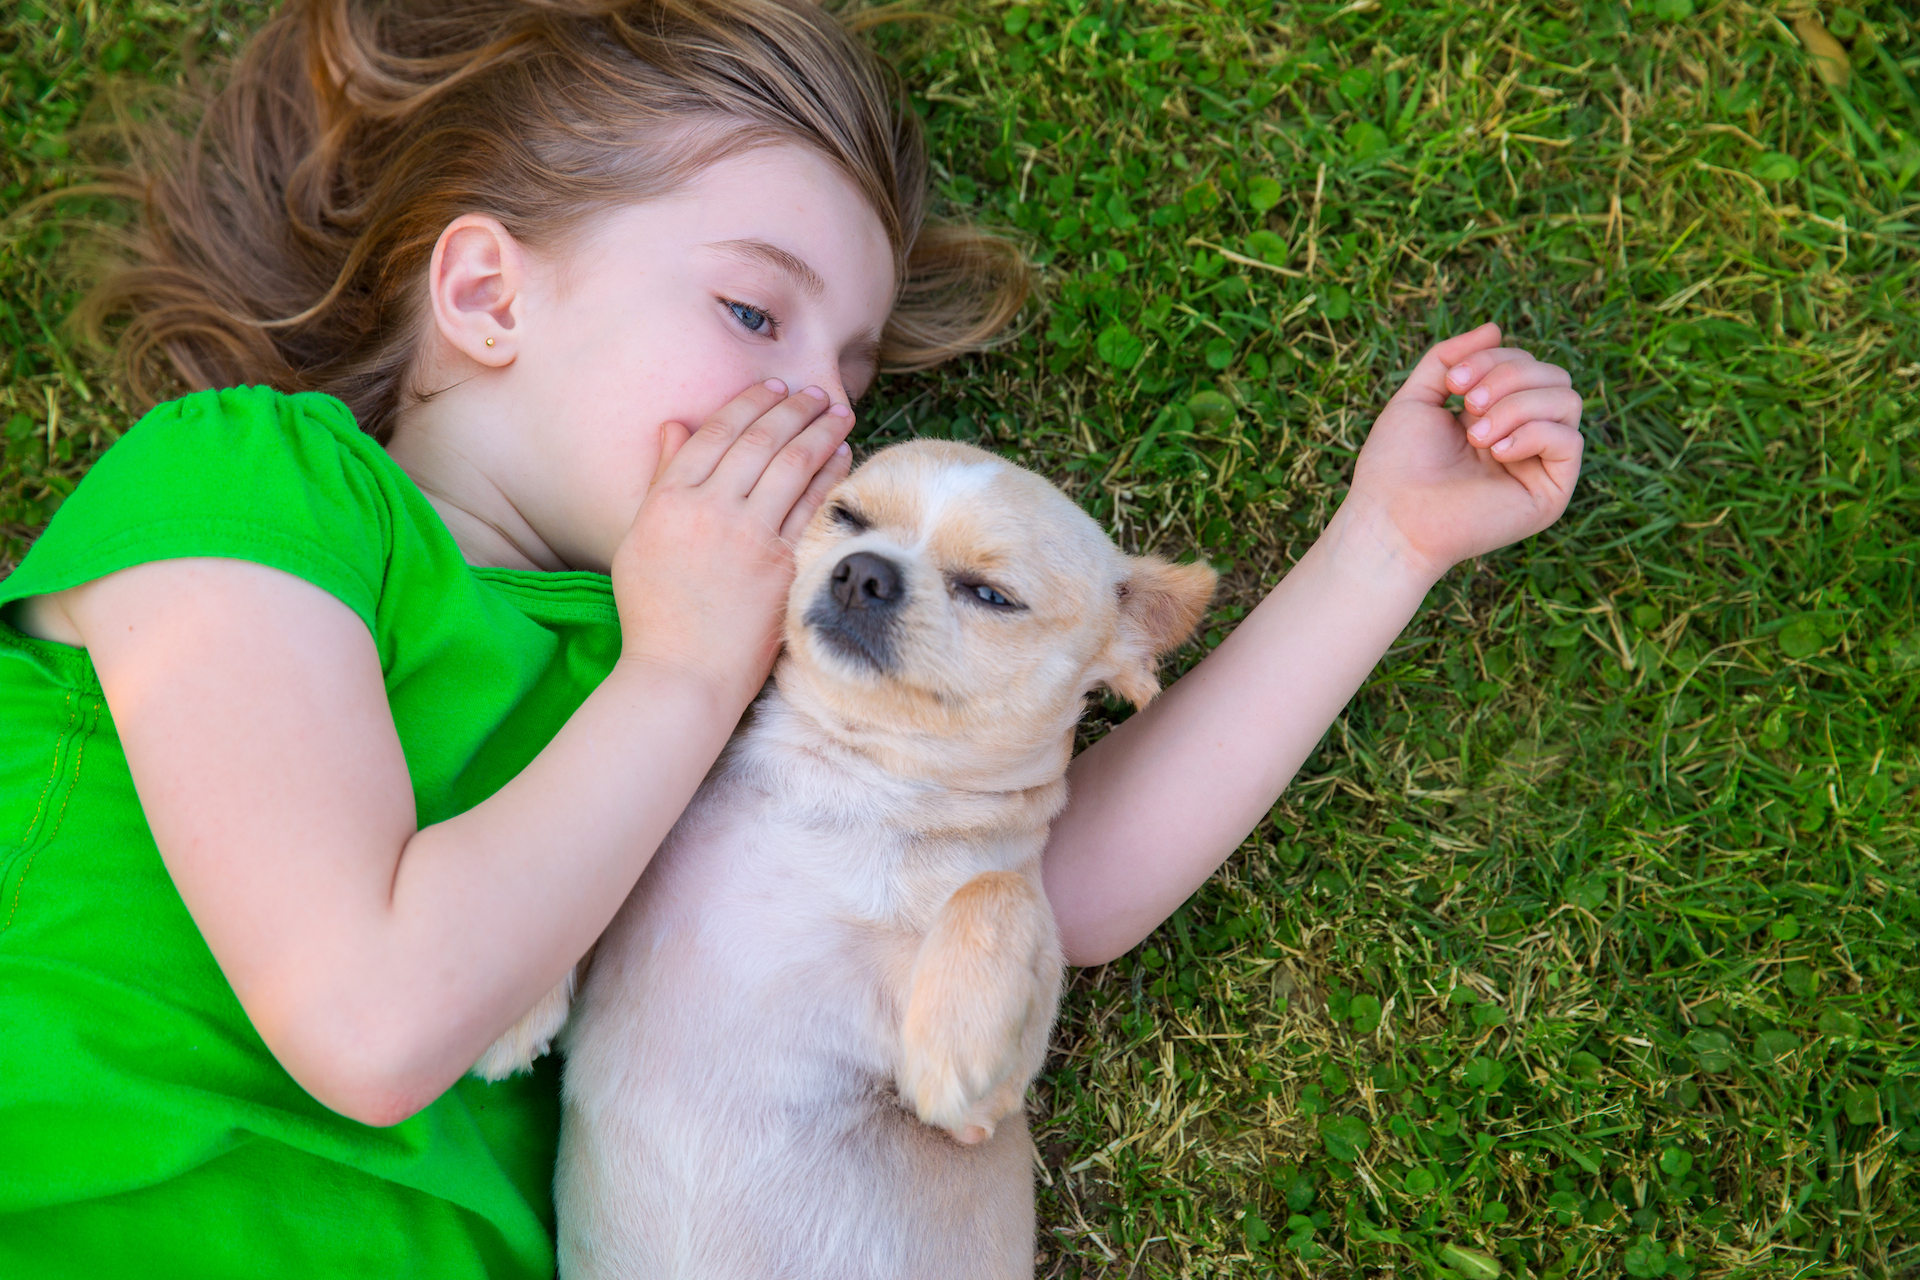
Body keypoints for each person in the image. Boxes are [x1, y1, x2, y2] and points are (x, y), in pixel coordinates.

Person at [0, 0, 1584, 1273]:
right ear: (487, 295)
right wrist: (678, 669)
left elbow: (1053, 875)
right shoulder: (254, 489)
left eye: (852, 374)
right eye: (755, 314)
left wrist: (1385, 547)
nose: (821, 410)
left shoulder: (731, 648)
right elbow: (373, 1017)